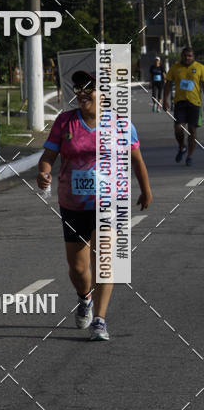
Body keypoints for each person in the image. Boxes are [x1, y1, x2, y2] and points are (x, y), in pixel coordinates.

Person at [37, 70, 152, 342]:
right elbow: (47, 157)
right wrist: (43, 173)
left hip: (108, 204)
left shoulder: (121, 125)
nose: (82, 93)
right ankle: (84, 297)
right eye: (78, 88)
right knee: (77, 268)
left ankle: (99, 320)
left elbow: (136, 159)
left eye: (89, 88)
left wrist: (145, 190)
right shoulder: (65, 122)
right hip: (73, 205)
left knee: (104, 262)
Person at [163, 47, 204, 165]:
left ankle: (189, 156)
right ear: (182, 56)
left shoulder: (200, 68)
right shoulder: (175, 68)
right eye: (185, 55)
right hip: (180, 103)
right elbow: (168, 84)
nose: (187, 58)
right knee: (178, 129)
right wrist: (165, 100)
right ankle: (182, 147)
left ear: (193, 57)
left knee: (192, 130)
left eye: (190, 56)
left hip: (195, 103)